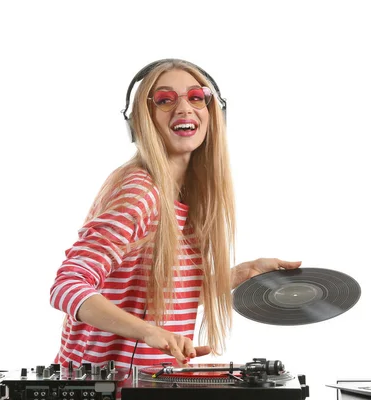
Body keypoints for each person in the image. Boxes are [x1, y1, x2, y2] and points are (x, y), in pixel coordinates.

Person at [50, 59, 301, 370]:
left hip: (153, 384)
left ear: (214, 115)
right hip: (109, 387)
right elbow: (68, 284)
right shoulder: (141, 192)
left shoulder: (188, 196)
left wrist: (242, 273)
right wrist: (149, 332)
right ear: (142, 121)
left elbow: (159, 295)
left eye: (196, 97)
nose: (184, 108)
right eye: (166, 101)